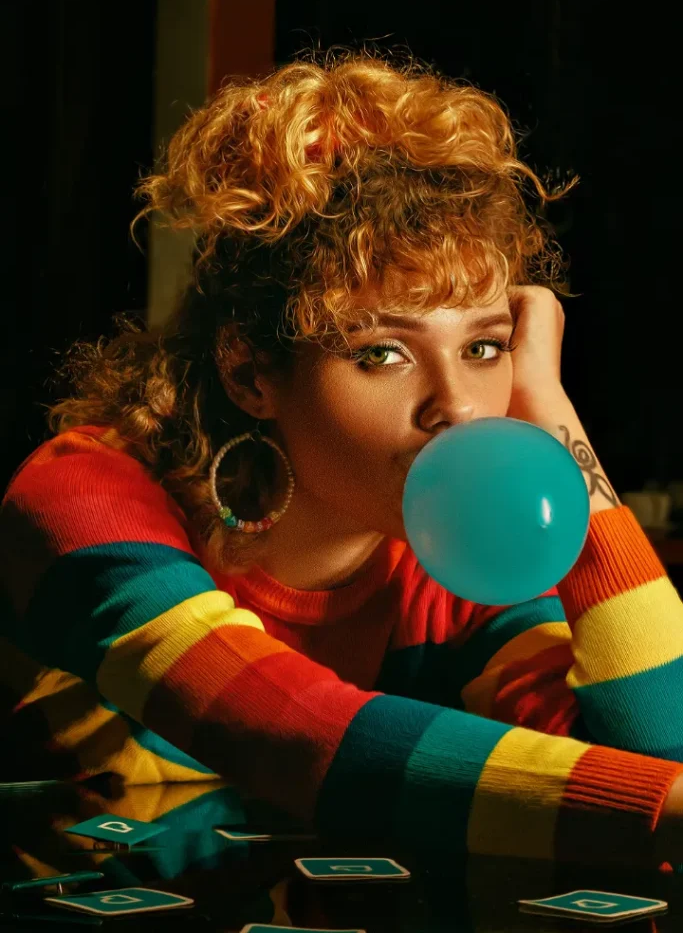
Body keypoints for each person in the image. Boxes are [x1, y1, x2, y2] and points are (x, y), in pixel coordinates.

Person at [2, 50, 683, 869]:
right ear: (250, 371)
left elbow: (659, 752)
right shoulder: (87, 498)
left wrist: (555, 421)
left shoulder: (449, 565)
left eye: (483, 346)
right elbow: (291, 733)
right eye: (381, 354)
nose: (459, 408)